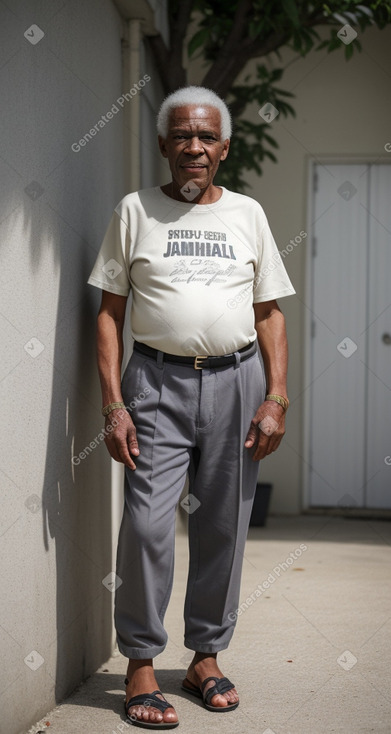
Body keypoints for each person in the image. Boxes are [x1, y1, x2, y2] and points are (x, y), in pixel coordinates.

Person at [88, 85, 295, 729]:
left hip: (236, 384)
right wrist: (114, 405)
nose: (194, 148)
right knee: (148, 525)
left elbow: (269, 315)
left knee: (223, 527)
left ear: (224, 148)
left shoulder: (248, 215)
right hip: (155, 383)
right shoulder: (135, 212)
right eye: (182, 136)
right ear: (162, 145)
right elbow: (109, 316)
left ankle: (206, 655)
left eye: (207, 138)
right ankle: (142, 664)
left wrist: (276, 397)